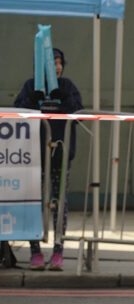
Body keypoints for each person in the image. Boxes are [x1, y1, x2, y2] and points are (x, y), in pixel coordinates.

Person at [14, 47, 83, 271]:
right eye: (53, 63)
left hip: (60, 155)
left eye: (60, 62)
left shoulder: (67, 86)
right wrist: (31, 103)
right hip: (34, 155)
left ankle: (58, 251)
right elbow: (17, 114)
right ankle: (35, 251)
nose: (58, 67)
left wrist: (67, 103)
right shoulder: (30, 85)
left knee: (59, 204)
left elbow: (80, 114)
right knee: (34, 203)